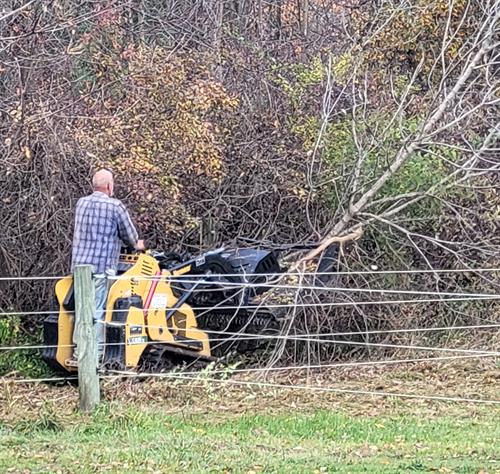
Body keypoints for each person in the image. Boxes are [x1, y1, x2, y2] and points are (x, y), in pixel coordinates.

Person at [68, 169, 144, 365]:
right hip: (101, 267)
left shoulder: (81, 204)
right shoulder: (115, 206)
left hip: (79, 267)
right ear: (109, 186)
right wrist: (138, 245)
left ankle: (78, 352)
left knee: (82, 309)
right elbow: (130, 237)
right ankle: (95, 355)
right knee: (98, 310)